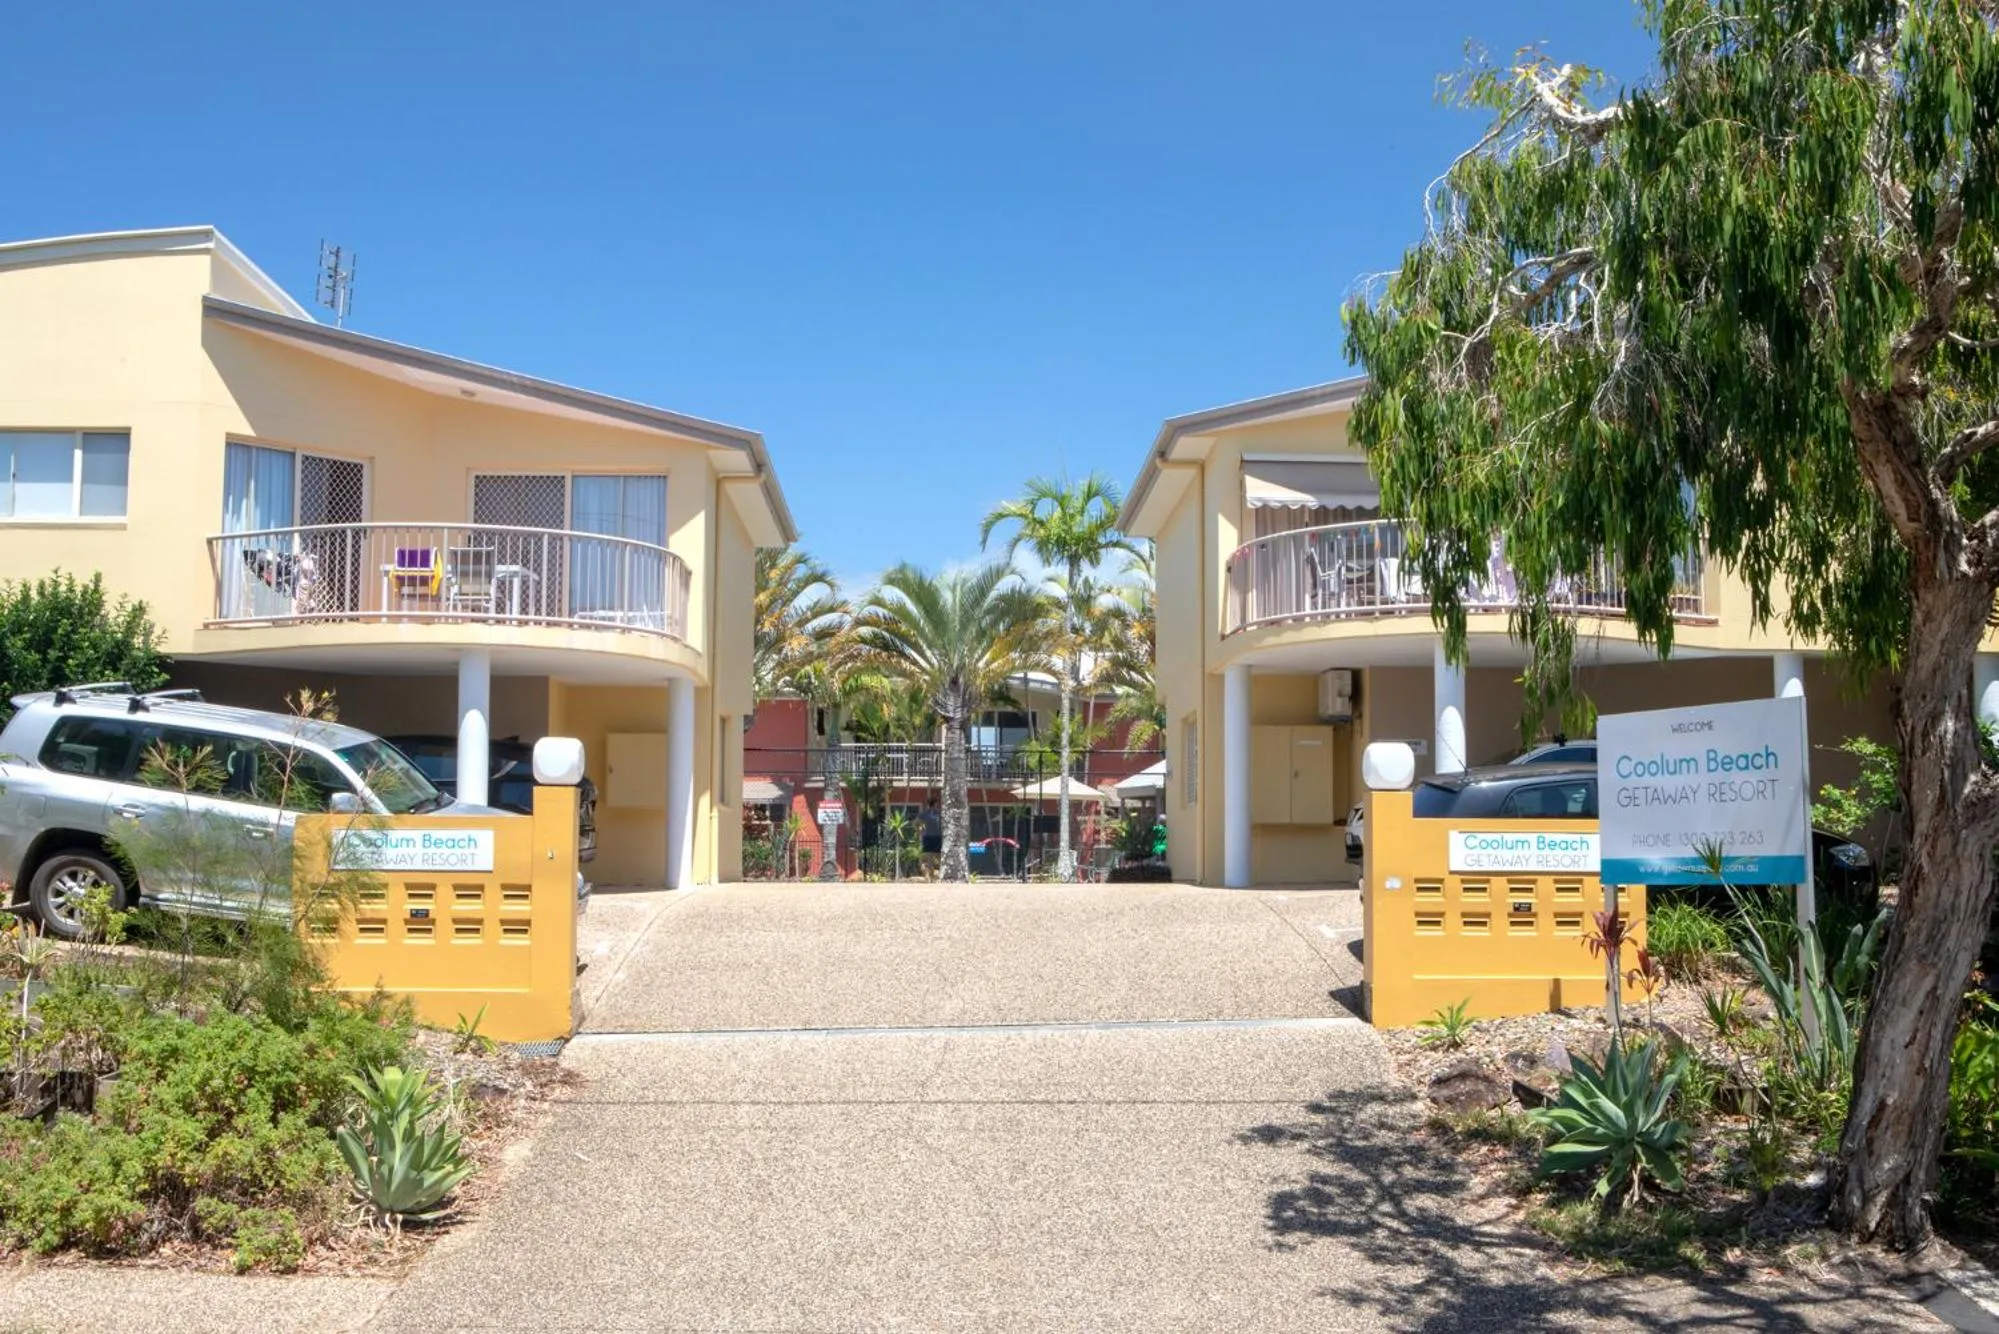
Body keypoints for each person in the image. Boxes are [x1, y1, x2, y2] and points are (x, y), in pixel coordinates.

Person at [919, 796, 943, 879]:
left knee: (930, 857)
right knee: (938, 856)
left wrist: (920, 830)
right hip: (936, 837)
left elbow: (915, 823)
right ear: (935, 804)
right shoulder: (939, 813)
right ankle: (933, 876)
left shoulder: (925, 813)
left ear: (928, 804)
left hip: (929, 837)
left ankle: (931, 876)